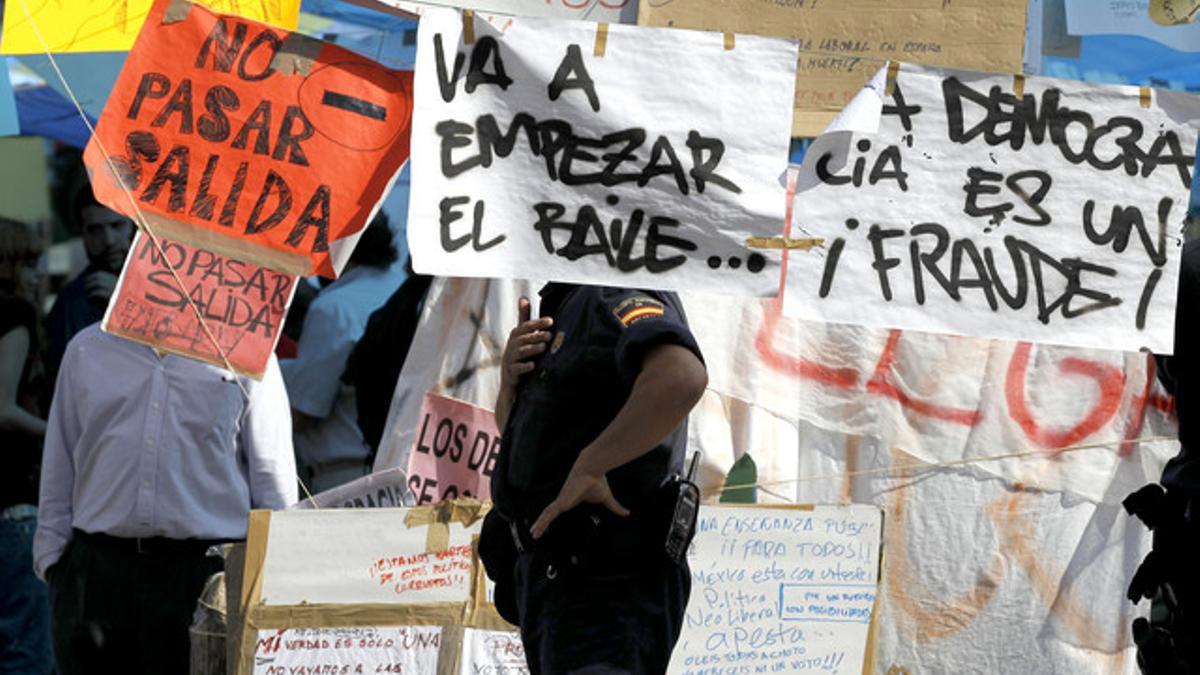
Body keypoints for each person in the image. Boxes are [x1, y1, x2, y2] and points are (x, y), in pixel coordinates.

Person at [34, 326, 298, 674]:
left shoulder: (249, 353)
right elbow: (60, 461)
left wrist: (276, 581)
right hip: (98, 572)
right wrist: (55, 566)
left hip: (206, 574)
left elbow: (272, 479)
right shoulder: (87, 348)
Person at [482, 283, 708, 674]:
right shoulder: (570, 303)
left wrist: (593, 465)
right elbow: (536, 452)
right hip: (558, 587)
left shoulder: (612, 289)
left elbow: (681, 376)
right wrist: (511, 387)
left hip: (602, 585)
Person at [281, 214, 400, 492]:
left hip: (346, 477)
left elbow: (304, 412)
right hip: (395, 470)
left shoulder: (335, 308)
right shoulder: (398, 289)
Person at [0, 217, 53, 674]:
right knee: (29, 650)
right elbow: (4, 407)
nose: (39, 273)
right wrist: (58, 432)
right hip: (15, 502)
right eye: (31, 261)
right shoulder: (13, 315)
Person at [46, 184, 134, 379]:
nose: (109, 240)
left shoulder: (169, 284)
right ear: (82, 235)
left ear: (132, 225)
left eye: (117, 226)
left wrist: (126, 302)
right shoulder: (73, 303)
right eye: (95, 230)